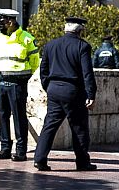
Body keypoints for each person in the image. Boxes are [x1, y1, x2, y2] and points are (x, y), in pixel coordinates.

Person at [33, 16, 97, 172]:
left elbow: (43, 70)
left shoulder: (50, 45)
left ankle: (39, 159)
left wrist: (48, 86)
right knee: (79, 127)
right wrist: (91, 94)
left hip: (54, 90)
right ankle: (82, 162)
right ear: (80, 30)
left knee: (49, 125)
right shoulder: (83, 46)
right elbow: (87, 73)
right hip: (73, 91)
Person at [0, 8, 39, 162]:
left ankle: (21, 151)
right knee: (3, 116)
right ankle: (5, 148)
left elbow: (34, 63)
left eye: (2, 22)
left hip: (18, 84)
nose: (0, 25)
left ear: (10, 22)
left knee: (19, 117)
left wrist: (23, 78)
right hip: (0, 83)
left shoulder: (27, 39)